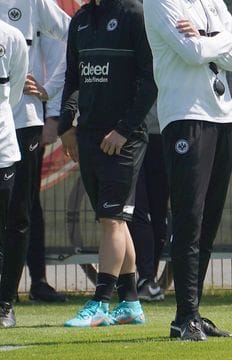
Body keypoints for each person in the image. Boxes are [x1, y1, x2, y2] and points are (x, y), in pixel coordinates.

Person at [143, 0, 232, 341]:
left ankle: (195, 312)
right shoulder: (160, 2)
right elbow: (191, 53)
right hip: (185, 117)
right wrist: (223, 39)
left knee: (208, 224)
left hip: (223, 118)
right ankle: (183, 317)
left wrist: (208, 37)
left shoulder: (212, 1)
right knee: (189, 219)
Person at [57, 0, 157, 327]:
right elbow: (73, 78)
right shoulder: (82, 20)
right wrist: (66, 126)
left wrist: (123, 130)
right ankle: (130, 303)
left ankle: (100, 302)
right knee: (112, 219)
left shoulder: (133, 14)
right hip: (88, 135)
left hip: (124, 139)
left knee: (111, 220)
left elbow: (150, 81)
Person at [0, 0, 70, 327]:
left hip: (21, 122)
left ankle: (4, 303)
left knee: (19, 213)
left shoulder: (32, 2)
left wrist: (50, 91)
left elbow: (75, 35)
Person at [26, 34, 68, 303]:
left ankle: (38, 281)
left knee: (27, 199)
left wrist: (52, 114)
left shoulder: (35, 4)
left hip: (26, 115)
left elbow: (62, 44)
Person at [0, 19, 29, 328]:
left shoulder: (11, 37)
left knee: (8, 230)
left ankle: (5, 304)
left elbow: (15, 93)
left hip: (3, 152)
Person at [128, 102, 169, 302]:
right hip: (131, 133)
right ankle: (144, 278)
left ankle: (148, 279)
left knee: (158, 213)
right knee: (137, 208)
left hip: (162, 133)